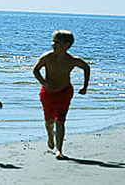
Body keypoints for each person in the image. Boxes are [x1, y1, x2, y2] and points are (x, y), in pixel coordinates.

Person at [33, 30, 90, 159]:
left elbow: (86, 67)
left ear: (67, 45)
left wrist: (85, 86)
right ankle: (49, 135)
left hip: (64, 92)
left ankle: (59, 150)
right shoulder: (47, 57)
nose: (53, 44)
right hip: (47, 92)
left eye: (57, 42)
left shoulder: (71, 60)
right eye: (53, 41)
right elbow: (35, 70)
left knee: (60, 120)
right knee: (49, 120)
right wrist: (44, 83)